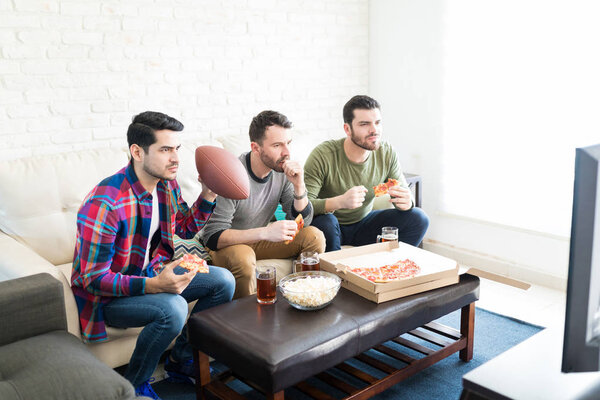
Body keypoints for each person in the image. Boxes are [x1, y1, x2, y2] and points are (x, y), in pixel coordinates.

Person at [71, 111, 235, 400]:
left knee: (223, 280)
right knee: (172, 309)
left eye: (176, 149)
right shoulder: (105, 203)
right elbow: (92, 279)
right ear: (137, 151)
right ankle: (133, 386)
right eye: (165, 150)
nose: (175, 159)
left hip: (152, 273)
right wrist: (155, 285)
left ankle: (180, 360)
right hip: (111, 298)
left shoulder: (166, 183)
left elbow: (184, 227)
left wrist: (208, 193)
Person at [200, 110, 325, 299]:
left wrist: (299, 186)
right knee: (244, 258)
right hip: (227, 244)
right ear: (255, 148)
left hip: (258, 238)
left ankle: (301, 297)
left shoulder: (282, 170)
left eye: (288, 143)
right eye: (277, 145)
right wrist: (265, 232)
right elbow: (212, 236)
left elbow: (302, 223)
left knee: (314, 237)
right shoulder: (231, 174)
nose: (286, 153)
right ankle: (245, 319)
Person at [303, 95, 429, 252]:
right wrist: (340, 202)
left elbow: (403, 191)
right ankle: (338, 274)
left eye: (377, 123)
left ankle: (390, 268)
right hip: (330, 225)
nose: (374, 130)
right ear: (347, 129)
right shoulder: (323, 155)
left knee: (419, 218)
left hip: (364, 224)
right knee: (326, 222)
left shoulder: (386, 152)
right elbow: (303, 207)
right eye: (365, 124)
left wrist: (407, 202)